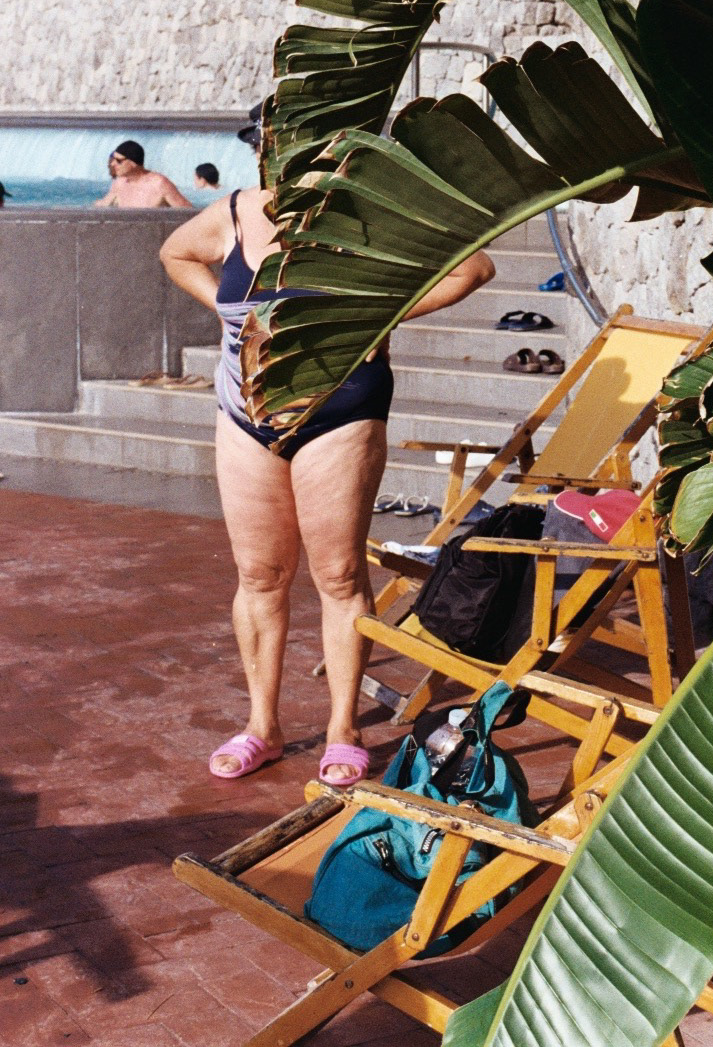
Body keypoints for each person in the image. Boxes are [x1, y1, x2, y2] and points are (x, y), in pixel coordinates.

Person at [159, 108, 495, 785]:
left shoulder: (365, 214)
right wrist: (225, 309)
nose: (279, 159)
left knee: (339, 575)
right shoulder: (237, 212)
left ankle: (343, 727)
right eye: (267, 146)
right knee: (259, 575)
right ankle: (263, 725)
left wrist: (380, 313)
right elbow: (175, 253)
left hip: (339, 412)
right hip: (246, 413)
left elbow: (472, 267)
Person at [95, 140, 192, 209]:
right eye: (113, 159)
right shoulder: (120, 183)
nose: (112, 164)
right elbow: (102, 206)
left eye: (118, 161)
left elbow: (188, 213)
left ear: (133, 163)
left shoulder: (159, 183)